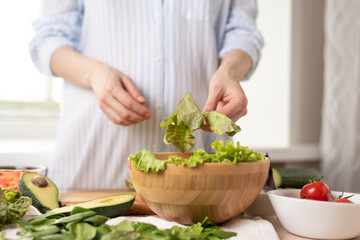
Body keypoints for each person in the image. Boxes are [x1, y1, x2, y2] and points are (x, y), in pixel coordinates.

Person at [30, 0, 263, 190]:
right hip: (93, 169)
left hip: (198, 183)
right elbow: (49, 38)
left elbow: (242, 31)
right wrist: (94, 74)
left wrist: (230, 70)